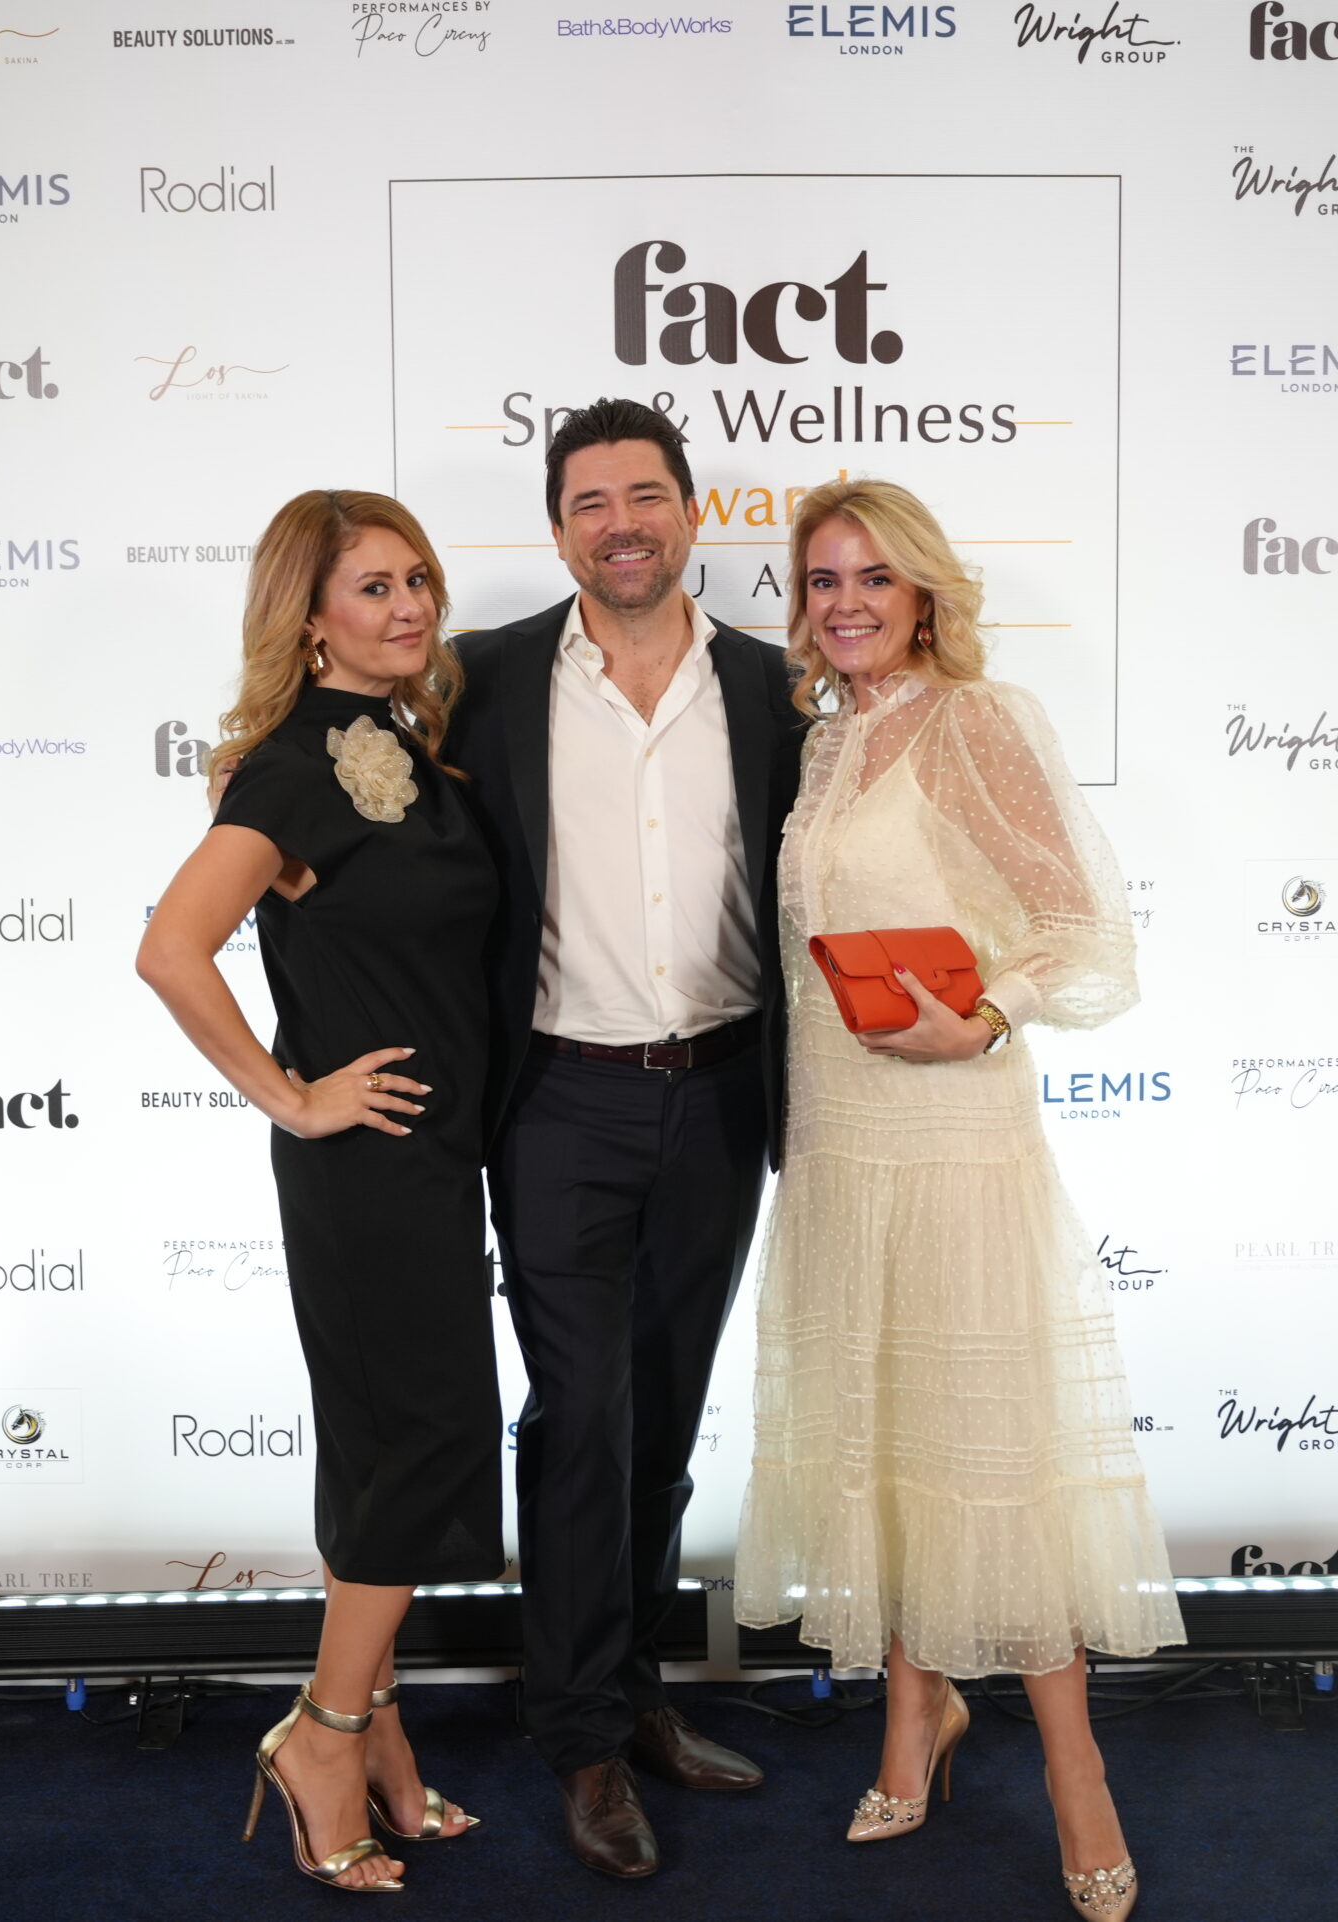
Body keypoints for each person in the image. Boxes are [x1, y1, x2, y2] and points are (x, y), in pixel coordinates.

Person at [732, 479, 1183, 1922]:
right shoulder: (825, 740)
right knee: (883, 1445)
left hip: (954, 1140)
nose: (846, 603)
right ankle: (911, 1727)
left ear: (925, 591)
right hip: (840, 1144)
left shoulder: (980, 721)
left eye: (874, 576)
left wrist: (986, 1017)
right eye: (822, 580)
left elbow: (1084, 929)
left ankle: (1077, 1779)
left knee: (993, 1460)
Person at [446, 398, 808, 1879]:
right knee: (579, 1415)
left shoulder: (777, 688)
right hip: (557, 1102)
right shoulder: (482, 679)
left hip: (720, 1096)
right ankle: (581, 1737)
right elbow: (341, 756)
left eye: (645, 495)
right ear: (558, 532)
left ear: (692, 513)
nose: (621, 524)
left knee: (661, 1414)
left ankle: (638, 1689)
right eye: (590, 502)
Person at [137, 489, 502, 1894]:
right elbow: (172, 948)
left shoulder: (409, 742)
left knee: (381, 1451)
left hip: (432, 1160)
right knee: (419, 1442)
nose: (410, 606)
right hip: (366, 1172)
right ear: (309, 617)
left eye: (418, 579)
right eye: (373, 586)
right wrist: (292, 1095)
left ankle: (384, 1739)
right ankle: (326, 1739)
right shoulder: (289, 770)